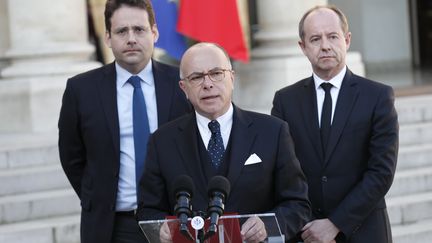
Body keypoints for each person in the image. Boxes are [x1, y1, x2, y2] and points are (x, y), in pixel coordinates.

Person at [136, 42, 311, 243]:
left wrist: (268, 226)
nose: (208, 83)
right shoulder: (162, 141)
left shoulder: (273, 132)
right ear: (183, 88)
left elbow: (298, 204)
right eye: (197, 77)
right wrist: (161, 228)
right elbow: (148, 209)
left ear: (232, 78)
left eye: (216, 73)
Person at [58, 0, 191, 242]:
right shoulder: (81, 90)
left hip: (175, 224)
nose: (131, 38)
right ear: (108, 38)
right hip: (112, 227)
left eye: (139, 30)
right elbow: (71, 157)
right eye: (121, 31)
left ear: (154, 32)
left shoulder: (182, 85)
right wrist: (97, 197)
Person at [271, 5, 399, 243]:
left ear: (347, 40)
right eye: (315, 39)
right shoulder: (285, 101)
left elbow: (381, 173)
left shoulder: (378, 97)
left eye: (332, 36)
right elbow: (283, 171)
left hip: (365, 230)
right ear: (303, 47)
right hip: (305, 232)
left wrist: (335, 223)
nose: (325, 46)